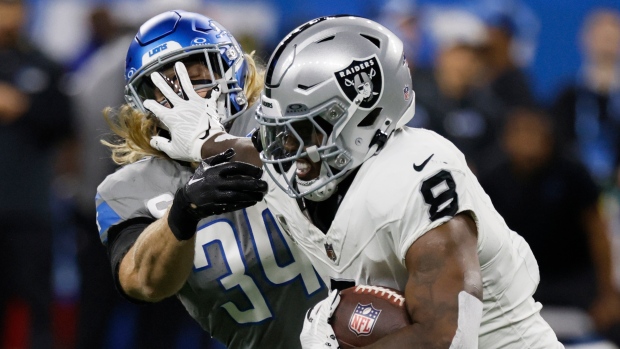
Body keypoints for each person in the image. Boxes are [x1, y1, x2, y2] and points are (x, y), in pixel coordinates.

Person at [155, 14, 564, 348]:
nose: (287, 150)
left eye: (306, 127)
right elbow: (253, 151)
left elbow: (447, 338)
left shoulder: (418, 175)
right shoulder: (304, 168)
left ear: (364, 116)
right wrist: (205, 141)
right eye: (282, 130)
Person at [95, 10, 327, 349]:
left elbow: (323, 165)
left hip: (365, 325)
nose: (186, 95)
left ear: (230, 70)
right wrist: (182, 211)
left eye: (197, 76)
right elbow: (142, 282)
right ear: (143, 102)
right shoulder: (126, 190)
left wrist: (211, 146)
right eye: (168, 85)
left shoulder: (280, 112)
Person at [479, 108, 620, 346]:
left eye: (535, 132)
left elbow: (598, 233)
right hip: (515, 280)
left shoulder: (574, 173)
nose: (527, 140)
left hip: (574, 279)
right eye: (519, 132)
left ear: (549, 136)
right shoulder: (491, 178)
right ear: (506, 139)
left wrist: (608, 294)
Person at [0, 0, 76, 347]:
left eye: (13, 6)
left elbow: (64, 123)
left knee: (38, 308)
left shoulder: (44, 65)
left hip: (29, 210)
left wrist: (22, 106)